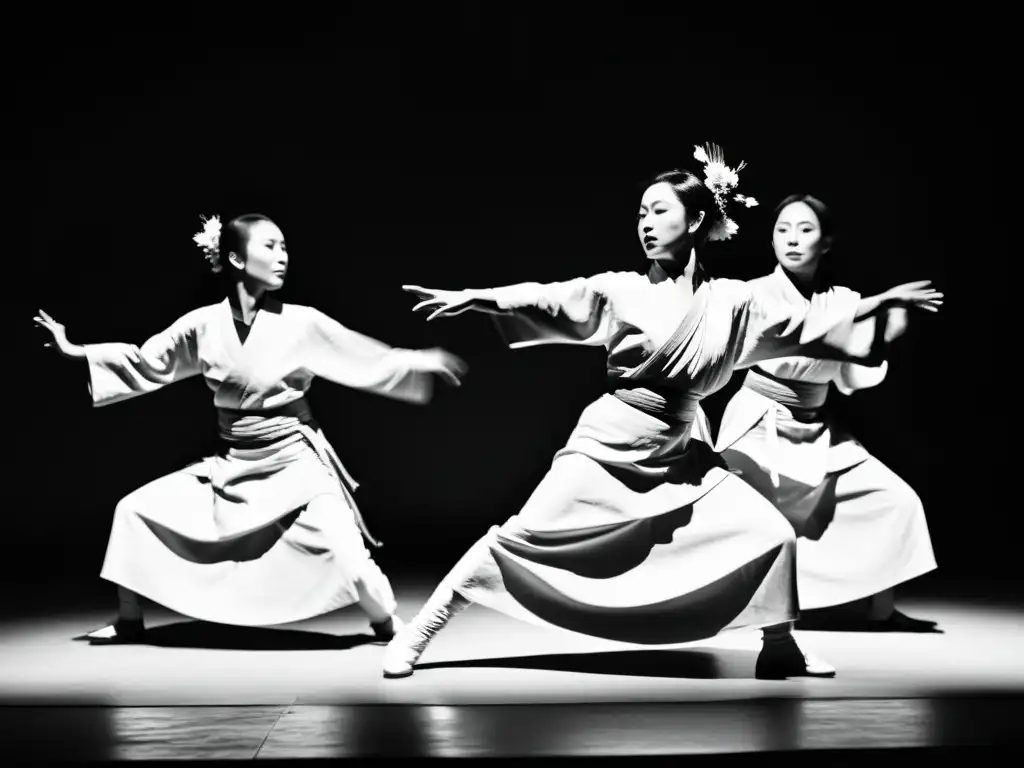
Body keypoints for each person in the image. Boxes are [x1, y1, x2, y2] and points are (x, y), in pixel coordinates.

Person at [382, 145, 942, 680]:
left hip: (678, 451)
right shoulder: (621, 290)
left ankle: (780, 646)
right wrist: (483, 296)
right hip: (609, 440)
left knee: (772, 532)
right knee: (525, 532)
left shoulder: (732, 302)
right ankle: (419, 632)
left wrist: (879, 312)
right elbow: (552, 297)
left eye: (659, 211)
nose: (645, 223)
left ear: (696, 221)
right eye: (641, 213)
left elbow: (805, 332)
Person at [33, 213, 468, 644]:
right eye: (270, 246)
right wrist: (77, 352)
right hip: (234, 464)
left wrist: (417, 360)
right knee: (133, 511)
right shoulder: (202, 325)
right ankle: (130, 620)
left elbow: (360, 356)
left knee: (348, 557)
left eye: (285, 247)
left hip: (294, 457)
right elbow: (147, 362)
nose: (283, 257)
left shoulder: (301, 322)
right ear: (236, 260)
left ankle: (388, 624)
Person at [694, 194, 939, 631]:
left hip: (816, 426)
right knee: (731, 513)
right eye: (782, 229)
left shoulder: (843, 299)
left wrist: (885, 336)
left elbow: (851, 375)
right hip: (759, 422)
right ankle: (734, 605)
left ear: (826, 242)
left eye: (805, 230)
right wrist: (877, 307)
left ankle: (879, 609)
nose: (792, 239)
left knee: (894, 500)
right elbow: (799, 334)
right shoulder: (753, 294)